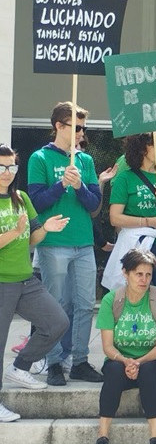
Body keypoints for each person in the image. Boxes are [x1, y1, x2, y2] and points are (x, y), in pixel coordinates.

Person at [27, 101, 105, 386]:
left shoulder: (85, 161)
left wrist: (78, 186)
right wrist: (61, 185)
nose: (82, 133)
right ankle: (55, 362)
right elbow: (35, 202)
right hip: (54, 242)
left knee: (85, 304)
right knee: (57, 305)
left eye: (84, 128)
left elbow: (95, 204)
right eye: (78, 127)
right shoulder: (40, 158)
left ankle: (80, 360)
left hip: (83, 242)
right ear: (59, 126)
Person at [0, 144, 69, 422]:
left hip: (26, 280)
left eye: (12, 167)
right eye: (2, 167)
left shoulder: (21, 198)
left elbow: (30, 239)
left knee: (57, 322)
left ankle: (20, 366)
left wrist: (45, 229)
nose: (7, 173)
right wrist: (15, 230)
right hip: (2, 283)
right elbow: (16, 234)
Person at [105, 133, 156, 369]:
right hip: (137, 245)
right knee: (134, 296)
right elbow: (115, 217)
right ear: (141, 148)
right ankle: (126, 352)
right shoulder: (125, 178)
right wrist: (149, 220)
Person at [95, 249, 156, 444]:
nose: (144, 279)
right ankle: (102, 435)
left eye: (148, 275)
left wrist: (137, 362)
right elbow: (107, 346)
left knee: (148, 371)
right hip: (120, 362)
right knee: (114, 371)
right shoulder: (111, 300)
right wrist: (125, 361)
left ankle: (155, 436)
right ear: (125, 273)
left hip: (154, 363)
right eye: (138, 274)